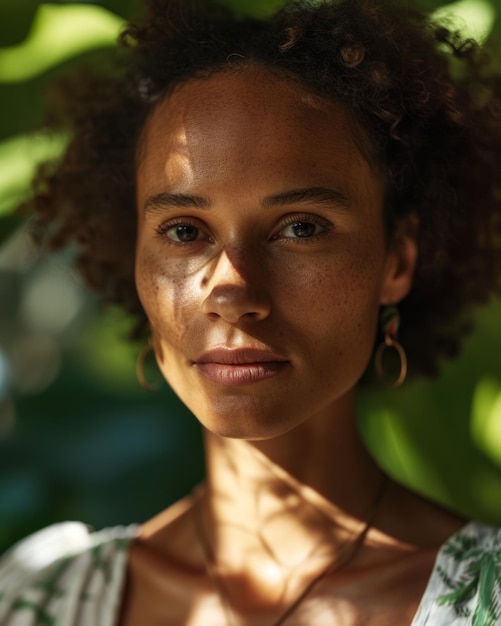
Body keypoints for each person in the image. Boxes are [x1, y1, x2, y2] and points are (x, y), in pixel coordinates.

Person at [1, 0, 501, 623]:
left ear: (396, 261)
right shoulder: (35, 597)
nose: (232, 290)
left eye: (300, 227)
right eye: (184, 231)